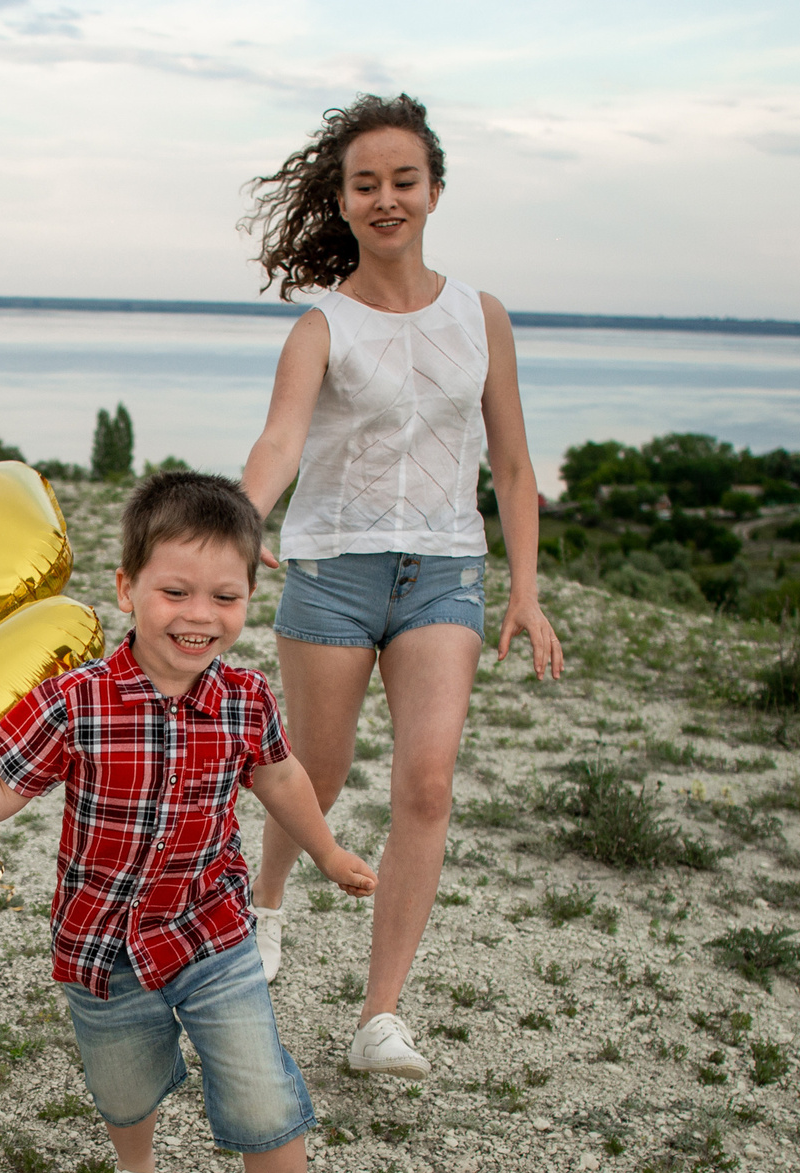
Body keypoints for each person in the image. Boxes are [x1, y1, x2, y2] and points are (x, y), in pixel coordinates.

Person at [0, 473, 376, 1173]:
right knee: (122, 1086)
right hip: (101, 946)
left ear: (249, 599)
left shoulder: (246, 698)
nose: (201, 614)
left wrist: (329, 850)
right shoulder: (76, 700)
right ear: (127, 589)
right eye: (175, 590)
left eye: (225, 596)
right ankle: (135, 1172)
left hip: (212, 931)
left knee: (263, 1092)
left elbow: (281, 778)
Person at [238, 94, 565, 1080]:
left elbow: (511, 466)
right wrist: (235, 526)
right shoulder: (320, 325)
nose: (386, 198)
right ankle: (266, 903)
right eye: (365, 184)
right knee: (318, 777)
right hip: (334, 572)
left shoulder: (482, 317)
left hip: (443, 576)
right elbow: (281, 441)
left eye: (403, 181)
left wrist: (524, 589)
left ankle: (379, 1016)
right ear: (340, 201)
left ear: (433, 191)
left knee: (426, 783)